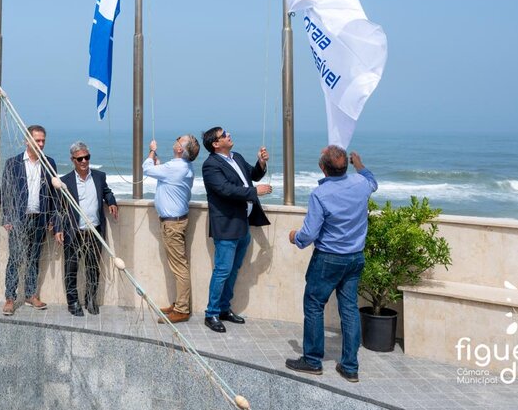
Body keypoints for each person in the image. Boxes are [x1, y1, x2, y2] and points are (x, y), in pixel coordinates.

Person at [286, 146, 378, 383]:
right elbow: (372, 180)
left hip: (329, 258)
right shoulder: (360, 184)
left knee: (314, 305)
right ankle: (350, 366)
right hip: (355, 257)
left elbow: (309, 234)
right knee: (349, 309)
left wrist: (294, 236)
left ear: (322, 168)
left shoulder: (320, 194)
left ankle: (313, 360)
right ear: (346, 165)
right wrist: (359, 163)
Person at [201, 127, 272, 333]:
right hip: (226, 226)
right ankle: (211, 313)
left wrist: (261, 162)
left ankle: (224, 308)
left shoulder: (237, 157)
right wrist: (254, 192)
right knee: (222, 271)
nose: (228, 135)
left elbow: (253, 175)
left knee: (233, 270)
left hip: (242, 224)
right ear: (215, 144)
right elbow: (225, 190)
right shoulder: (210, 165)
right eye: (224, 135)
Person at [54, 141, 118, 316]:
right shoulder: (65, 181)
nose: (84, 161)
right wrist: (58, 229)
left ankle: (91, 300)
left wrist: (111, 201)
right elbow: (59, 208)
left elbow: (106, 191)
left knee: (92, 268)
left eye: (86, 157)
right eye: (80, 158)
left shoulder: (99, 176)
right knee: (71, 269)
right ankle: (73, 302)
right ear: (72, 160)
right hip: (74, 232)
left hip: (94, 231)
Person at [0, 125, 58, 316]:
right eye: (37, 140)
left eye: (43, 141)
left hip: (40, 219)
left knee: (34, 258)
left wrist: (52, 217)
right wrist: (6, 218)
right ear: (27, 141)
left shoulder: (49, 163)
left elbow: (53, 194)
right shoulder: (13, 163)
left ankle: (31, 295)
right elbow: (5, 193)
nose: (40, 144)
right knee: (15, 258)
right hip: (18, 219)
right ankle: (10, 298)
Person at [143, 135, 200, 324]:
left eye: (179, 140)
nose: (175, 140)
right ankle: (178, 305)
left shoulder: (175, 167)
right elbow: (165, 174)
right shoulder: (183, 166)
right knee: (179, 265)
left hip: (172, 224)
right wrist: (159, 163)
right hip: (176, 221)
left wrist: (151, 150)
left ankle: (182, 309)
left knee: (179, 267)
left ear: (180, 150)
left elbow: (147, 169)